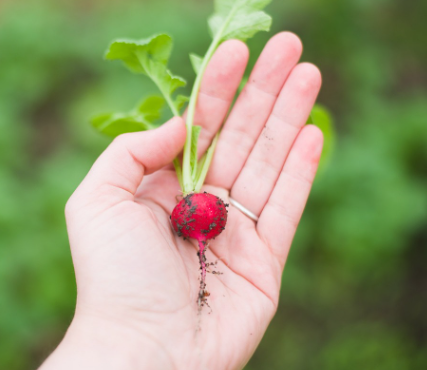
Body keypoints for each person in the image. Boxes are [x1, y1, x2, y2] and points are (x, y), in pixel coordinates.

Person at [39, 32, 323, 370]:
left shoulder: (200, 212)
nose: (200, 247)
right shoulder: (199, 210)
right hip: (196, 208)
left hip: (197, 210)